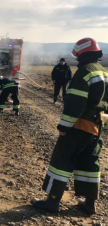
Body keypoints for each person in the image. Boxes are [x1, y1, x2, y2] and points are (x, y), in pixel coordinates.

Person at [31, 38, 107, 215]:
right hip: (98, 126)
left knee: (62, 158)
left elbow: (74, 103)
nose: (77, 58)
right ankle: (89, 203)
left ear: (82, 54)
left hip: (80, 125)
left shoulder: (84, 72)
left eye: (78, 55)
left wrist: (64, 126)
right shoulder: (104, 72)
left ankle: (52, 201)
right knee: (90, 161)